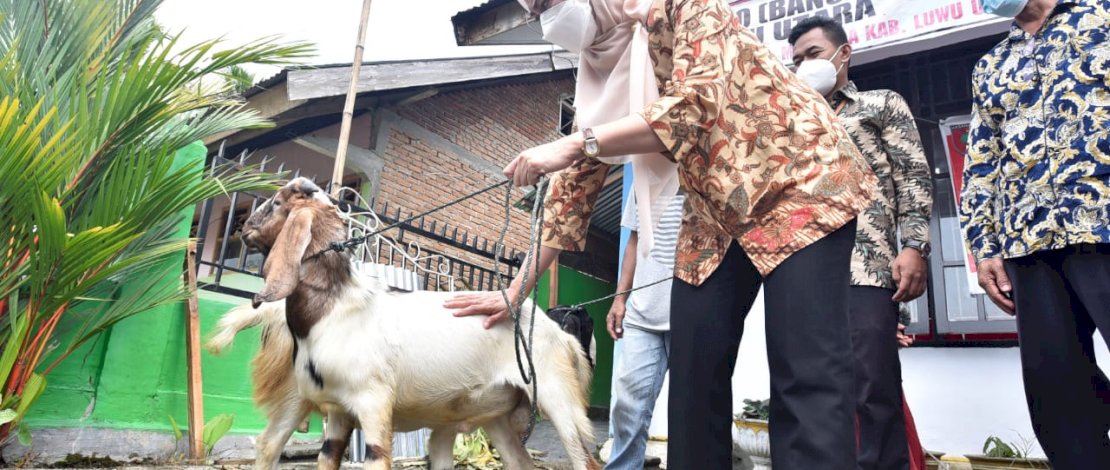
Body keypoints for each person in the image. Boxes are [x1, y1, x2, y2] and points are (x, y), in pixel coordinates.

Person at [445, 0, 878, 468]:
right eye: (534, 12)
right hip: (716, 210)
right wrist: (515, 291)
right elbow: (572, 188)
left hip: (798, 179)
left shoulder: (685, 7)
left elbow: (696, 104)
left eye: (548, 3)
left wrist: (579, 141)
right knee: (694, 369)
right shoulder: (600, 75)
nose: (545, 19)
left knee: (805, 367)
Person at [961, 0, 1110, 467]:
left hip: (1101, 222)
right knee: (1057, 392)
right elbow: (981, 161)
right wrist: (984, 246)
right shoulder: (991, 65)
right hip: (1028, 243)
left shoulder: (1101, 19)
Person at [788, 17, 934, 470]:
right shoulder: (792, 123)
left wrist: (914, 246)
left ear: (843, 53)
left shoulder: (880, 103)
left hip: (866, 267)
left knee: (873, 388)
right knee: (812, 390)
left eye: (813, 54)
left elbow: (913, 176)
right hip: (801, 275)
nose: (804, 66)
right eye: (796, 60)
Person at [604, 190, 683, 469]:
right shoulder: (642, 179)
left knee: (691, 411)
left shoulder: (704, 171)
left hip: (692, 315)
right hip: (642, 314)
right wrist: (620, 298)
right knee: (627, 408)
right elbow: (634, 240)